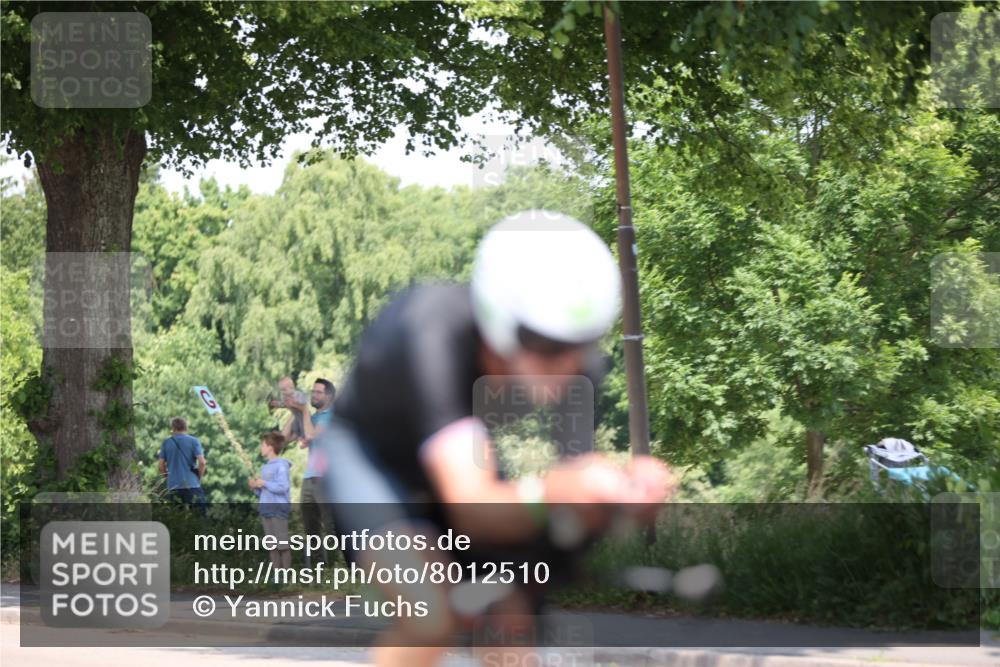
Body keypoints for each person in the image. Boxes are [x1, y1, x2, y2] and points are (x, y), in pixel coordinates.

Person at [319, 210, 675, 667]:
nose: (567, 366)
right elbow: (474, 506)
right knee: (431, 612)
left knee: (512, 620)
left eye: (583, 345)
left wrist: (619, 492)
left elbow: (572, 487)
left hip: (458, 457)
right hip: (370, 457)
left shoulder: (569, 355)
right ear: (497, 318)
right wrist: (553, 492)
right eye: (547, 348)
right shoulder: (434, 331)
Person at [298, 378, 336, 567]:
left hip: (325, 477)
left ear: (328, 396)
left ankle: (353, 569)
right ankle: (322, 569)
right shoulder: (312, 418)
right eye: (312, 392)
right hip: (308, 478)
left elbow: (312, 435)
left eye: (318, 392)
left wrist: (304, 410)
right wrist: (294, 409)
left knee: (331, 525)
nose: (313, 395)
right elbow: (295, 437)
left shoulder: (331, 415)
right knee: (311, 528)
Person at [249, 431, 293, 569]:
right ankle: (277, 575)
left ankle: (286, 576)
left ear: (270, 447)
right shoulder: (265, 467)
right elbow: (264, 491)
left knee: (282, 544)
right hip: (266, 509)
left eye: (263, 445)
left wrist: (264, 483)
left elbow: (283, 487)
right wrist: (255, 487)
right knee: (271, 545)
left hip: (278, 509)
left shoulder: (281, 465)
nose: (261, 448)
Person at [158, 417, 207, 513]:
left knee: (176, 520)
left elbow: (161, 466)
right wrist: (199, 477)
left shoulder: (166, 442)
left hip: (173, 487)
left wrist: (168, 478)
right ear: (186, 427)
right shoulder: (194, 441)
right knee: (199, 517)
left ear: (173, 428)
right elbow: (202, 462)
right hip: (192, 485)